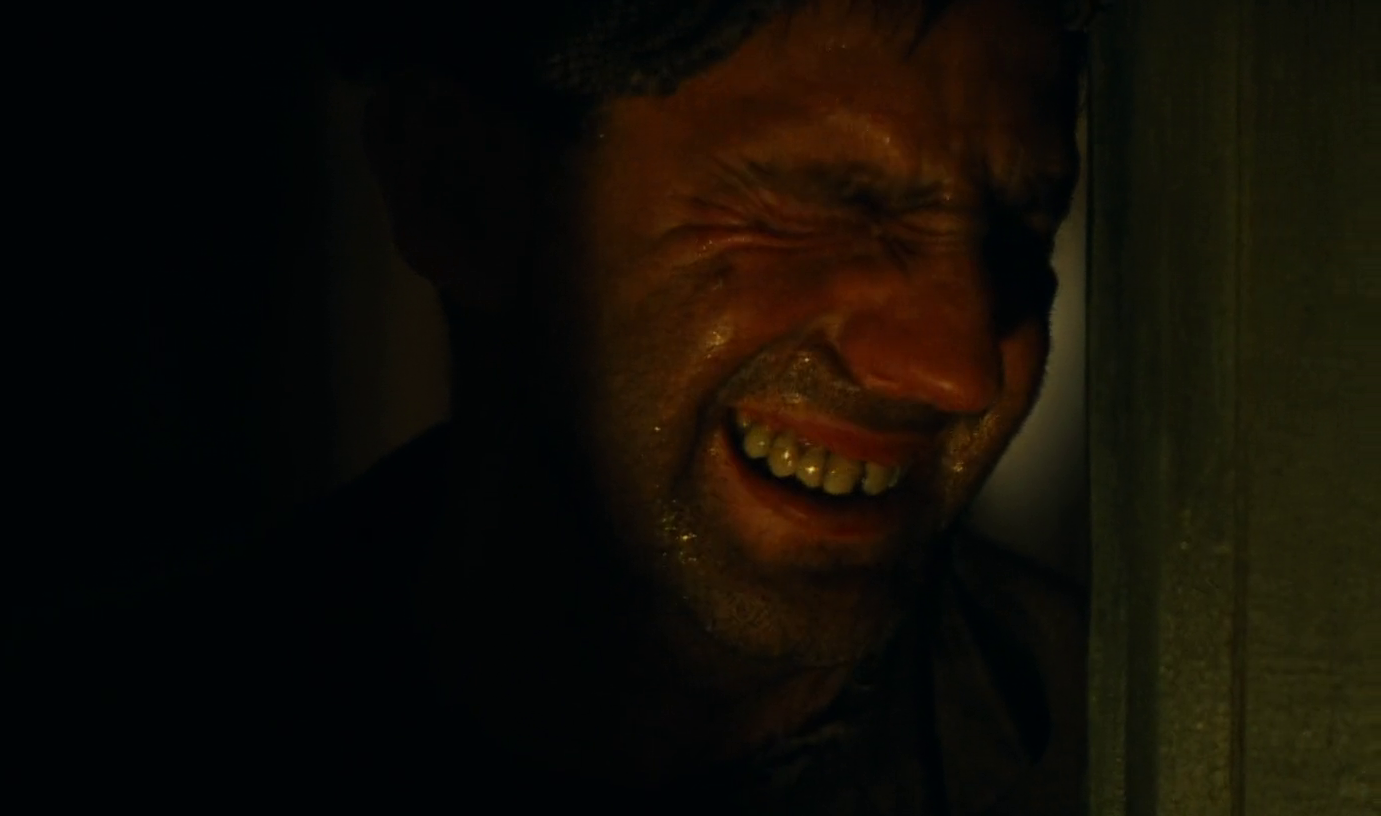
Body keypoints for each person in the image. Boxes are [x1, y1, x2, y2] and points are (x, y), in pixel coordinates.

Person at [58, 0, 1094, 811]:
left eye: (1022, 229)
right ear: (457, 191)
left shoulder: (1140, 757)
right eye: (819, 204)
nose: (962, 369)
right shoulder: (78, 753)